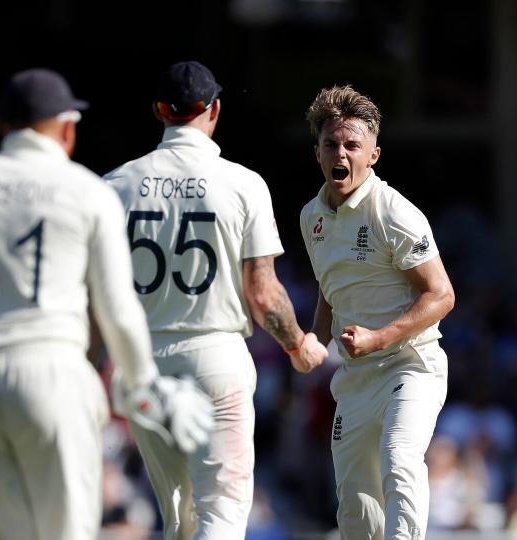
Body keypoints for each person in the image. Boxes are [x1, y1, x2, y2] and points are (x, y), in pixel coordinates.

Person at [0, 68, 214, 540]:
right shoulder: (85, 191)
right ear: (67, 128)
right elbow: (118, 309)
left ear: (3, 128)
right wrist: (143, 387)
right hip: (51, 376)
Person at [103, 61, 328, 539]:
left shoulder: (114, 186)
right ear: (215, 110)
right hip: (214, 356)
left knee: (179, 518)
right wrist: (298, 345)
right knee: (221, 514)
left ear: (159, 112)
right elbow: (263, 293)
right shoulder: (244, 184)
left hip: (144, 362)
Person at [298, 85, 456, 540]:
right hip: (355, 378)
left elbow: (442, 295)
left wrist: (379, 338)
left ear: (374, 154)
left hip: (411, 367)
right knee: (356, 509)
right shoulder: (312, 217)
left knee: (399, 459)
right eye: (331, 144)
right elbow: (333, 287)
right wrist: (315, 339)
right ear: (318, 153)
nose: (340, 154)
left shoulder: (395, 212)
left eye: (352, 145)